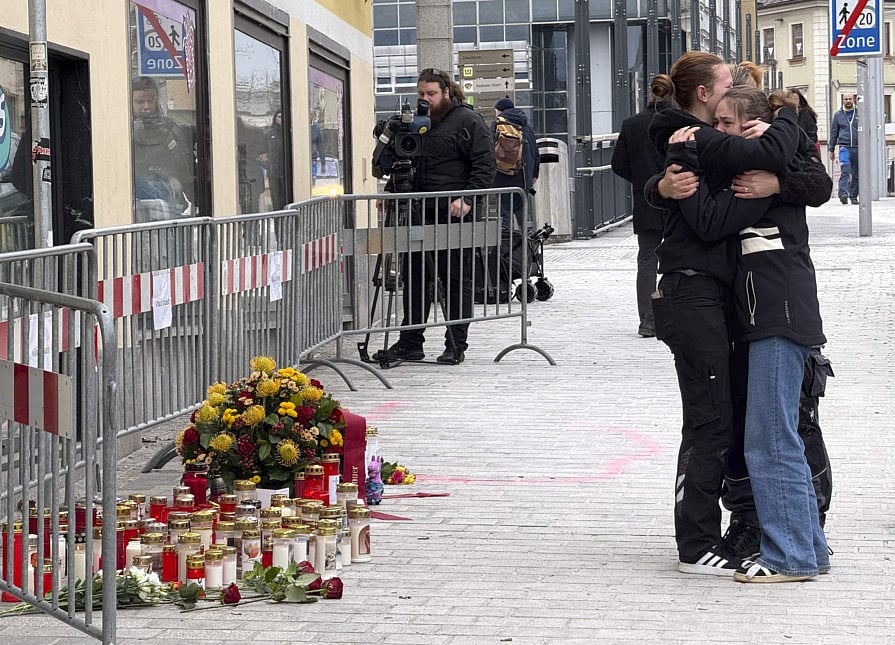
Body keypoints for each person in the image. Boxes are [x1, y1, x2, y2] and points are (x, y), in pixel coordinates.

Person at [643, 51, 803, 576]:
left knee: (720, 418)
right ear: (706, 97)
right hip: (691, 295)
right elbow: (710, 223)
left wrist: (776, 174)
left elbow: (809, 177)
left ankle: (736, 528)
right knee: (710, 422)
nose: (734, 84)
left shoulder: (712, 141)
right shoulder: (689, 140)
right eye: (726, 83)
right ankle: (695, 544)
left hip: (715, 299)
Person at [666, 87, 831, 582]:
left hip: (779, 314)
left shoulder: (762, 176)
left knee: (769, 439)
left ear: (754, 128)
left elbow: (814, 182)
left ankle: (790, 557)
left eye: (728, 123)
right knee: (775, 435)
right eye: (714, 121)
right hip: (769, 316)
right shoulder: (757, 172)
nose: (718, 132)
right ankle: (810, 551)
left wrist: (779, 149)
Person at [373, 67, 496, 365]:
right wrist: (392, 190)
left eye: (431, 93)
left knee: (454, 279)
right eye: (421, 94)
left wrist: (466, 198)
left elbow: (485, 165)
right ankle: (411, 342)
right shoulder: (416, 123)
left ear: (446, 92)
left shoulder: (467, 120)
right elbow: (407, 160)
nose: (425, 99)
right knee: (415, 278)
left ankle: (456, 343)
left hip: (454, 215)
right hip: (417, 212)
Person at [610, 78, 670, 338]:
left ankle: (648, 320)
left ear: (649, 94)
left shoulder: (631, 124)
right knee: (681, 255)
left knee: (647, 258)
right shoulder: (679, 123)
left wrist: (642, 181)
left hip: (646, 200)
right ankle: (675, 315)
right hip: (679, 200)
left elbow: (617, 164)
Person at [131, 76, 196, 219]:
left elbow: (185, 169)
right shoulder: (124, 132)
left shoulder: (170, 131)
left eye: (150, 101)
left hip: (171, 203)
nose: (146, 107)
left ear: (157, 100)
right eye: (140, 102)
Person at [490, 97, 539, 233]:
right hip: (523, 176)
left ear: (499, 110)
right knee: (522, 213)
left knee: (504, 215)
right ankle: (528, 247)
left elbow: (489, 149)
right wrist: (534, 174)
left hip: (503, 175)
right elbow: (535, 152)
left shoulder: (497, 124)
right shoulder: (525, 126)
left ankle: (506, 249)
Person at [828, 92, 859, 204]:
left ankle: (854, 195)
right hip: (844, 147)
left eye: (850, 99)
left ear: (854, 99)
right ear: (843, 100)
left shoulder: (859, 113)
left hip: (858, 147)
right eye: (846, 99)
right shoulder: (838, 115)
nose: (848, 101)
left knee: (856, 173)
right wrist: (831, 149)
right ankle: (843, 194)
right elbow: (834, 133)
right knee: (845, 171)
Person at [266, 110, 287, 210]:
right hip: (274, 173)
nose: (281, 119)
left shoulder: (288, 133)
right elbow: (263, 153)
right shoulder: (269, 134)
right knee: (276, 200)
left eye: (283, 117)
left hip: (286, 173)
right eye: (279, 117)